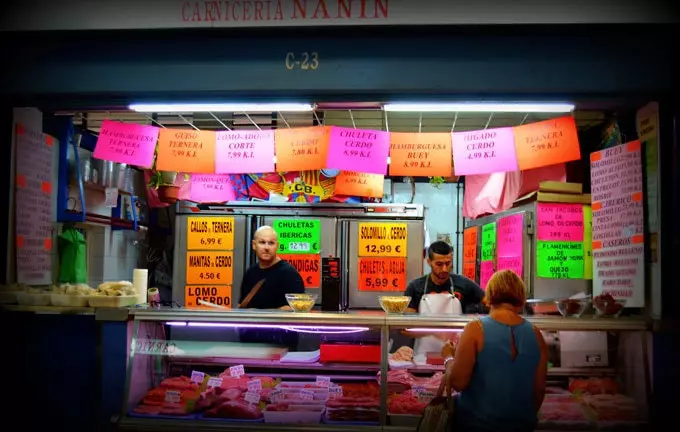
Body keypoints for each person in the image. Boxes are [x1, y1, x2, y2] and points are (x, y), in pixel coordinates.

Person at [439, 269, 549, 432]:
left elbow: (457, 383)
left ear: (490, 296)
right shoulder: (536, 334)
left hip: (475, 424)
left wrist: (449, 358)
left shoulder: (475, 329)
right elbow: (539, 390)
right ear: (520, 298)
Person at [403, 241, 486, 357]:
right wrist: (433, 330)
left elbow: (490, 302)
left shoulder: (463, 284)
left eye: (448, 263)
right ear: (429, 262)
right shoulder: (415, 287)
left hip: (456, 355)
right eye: (439, 264)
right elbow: (406, 328)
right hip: (422, 358)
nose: (445, 269)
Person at [238, 226, 305, 347]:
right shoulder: (250, 273)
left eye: (271, 243)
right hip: (250, 344)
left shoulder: (289, 274)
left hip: (280, 345)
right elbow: (243, 306)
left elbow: (297, 310)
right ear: (254, 245)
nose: (266, 247)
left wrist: (258, 313)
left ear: (277, 246)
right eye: (262, 242)